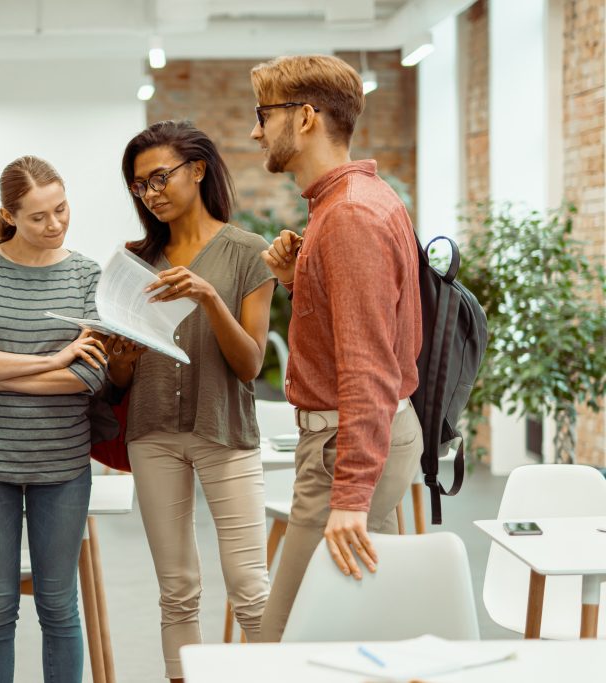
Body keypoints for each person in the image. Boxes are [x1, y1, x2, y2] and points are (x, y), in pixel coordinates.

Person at [249, 55, 424, 641]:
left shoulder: (348, 215)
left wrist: (349, 495)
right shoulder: (354, 199)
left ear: (304, 118)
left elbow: (370, 365)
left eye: (263, 115)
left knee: (282, 641)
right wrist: (302, 278)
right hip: (353, 441)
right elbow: (367, 323)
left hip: (343, 449)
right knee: (354, 634)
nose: (255, 131)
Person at [110, 120, 275, 682]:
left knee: (251, 588)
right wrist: (121, 358)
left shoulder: (248, 253)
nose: (151, 194)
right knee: (177, 591)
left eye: (159, 179)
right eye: (139, 186)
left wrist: (208, 298)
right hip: (152, 435)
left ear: (198, 170)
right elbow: (121, 375)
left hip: (225, 431)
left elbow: (250, 363)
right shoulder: (134, 260)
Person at [0, 155, 108, 683]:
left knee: (59, 608)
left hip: (61, 465)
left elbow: (90, 378)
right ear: (9, 216)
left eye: (61, 209)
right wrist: (53, 359)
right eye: (38, 217)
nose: (55, 224)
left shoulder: (87, 275)